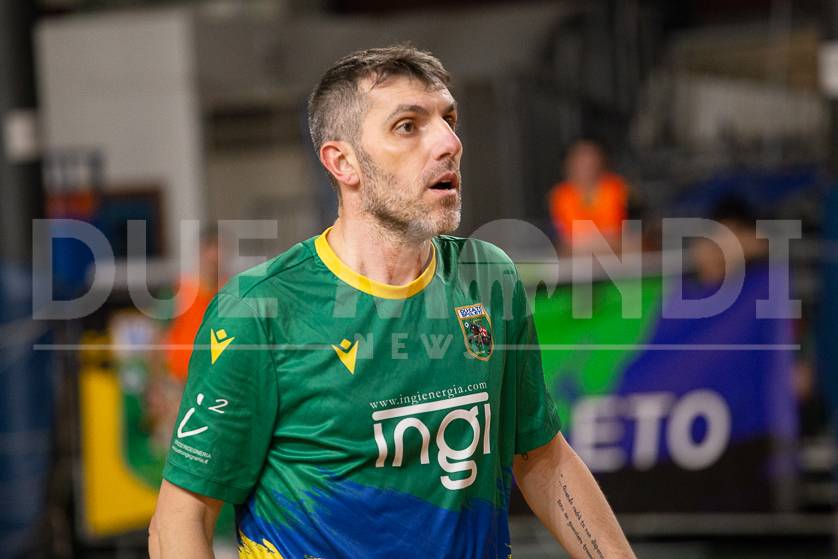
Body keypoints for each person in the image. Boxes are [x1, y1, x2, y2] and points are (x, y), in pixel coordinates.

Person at [148, 46, 636, 559]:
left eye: (449, 120)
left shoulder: (489, 277)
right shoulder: (260, 310)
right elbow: (179, 521)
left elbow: (543, 459)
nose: (449, 143)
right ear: (343, 163)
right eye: (408, 126)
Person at [548, 139, 631, 253]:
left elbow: (625, 235)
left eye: (592, 157)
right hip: (577, 256)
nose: (588, 163)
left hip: (618, 254)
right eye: (580, 158)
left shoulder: (618, 188)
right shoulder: (561, 195)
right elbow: (568, 241)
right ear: (568, 164)